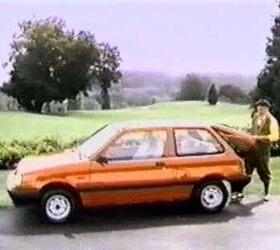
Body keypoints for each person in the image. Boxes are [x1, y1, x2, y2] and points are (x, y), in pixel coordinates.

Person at [249, 99, 279, 201]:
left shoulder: (272, 120)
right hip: (252, 147)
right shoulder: (255, 116)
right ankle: (238, 192)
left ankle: (267, 192)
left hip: (263, 149)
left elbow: (274, 136)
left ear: (267, 109)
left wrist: (259, 138)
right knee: (247, 169)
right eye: (258, 107)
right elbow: (253, 129)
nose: (260, 109)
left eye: (262, 108)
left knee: (264, 171)